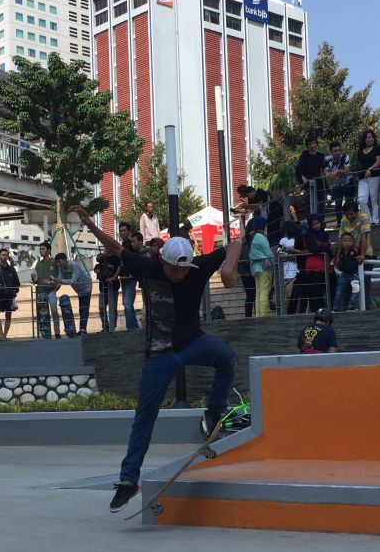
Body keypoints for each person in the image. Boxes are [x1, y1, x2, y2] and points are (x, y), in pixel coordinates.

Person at [70, 207, 242, 513]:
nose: (179, 275)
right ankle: (128, 480)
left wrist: (228, 269)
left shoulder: (197, 267)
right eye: (173, 270)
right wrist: (88, 224)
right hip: (159, 354)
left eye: (183, 270)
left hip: (193, 342)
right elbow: (115, 248)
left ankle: (215, 412)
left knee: (227, 357)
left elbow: (234, 245)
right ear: (162, 261)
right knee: (144, 416)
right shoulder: (146, 267)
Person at [295, 213, 331, 312]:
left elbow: (319, 249)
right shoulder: (307, 235)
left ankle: (322, 312)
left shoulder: (325, 235)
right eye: (313, 224)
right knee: (313, 291)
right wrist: (324, 247)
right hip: (311, 267)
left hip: (323, 266)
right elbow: (314, 248)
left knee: (320, 291)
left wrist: (321, 248)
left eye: (317, 223)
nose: (316, 225)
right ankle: (316, 312)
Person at [55, 252, 93, 335]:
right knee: (81, 309)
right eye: (57, 262)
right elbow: (60, 281)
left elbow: (73, 280)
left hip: (86, 286)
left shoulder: (74, 265)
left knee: (84, 308)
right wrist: (52, 284)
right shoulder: (60, 268)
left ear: (65, 260)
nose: (58, 264)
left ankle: (83, 329)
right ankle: (82, 329)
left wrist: (60, 281)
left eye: (59, 261)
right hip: (79, 290)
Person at [0, 248, 21, 341]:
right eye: (3, 255)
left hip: (10, 296)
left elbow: (17, 283)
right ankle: (2, 335)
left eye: (6, 255)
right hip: (0, 296)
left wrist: (15, 291)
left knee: (8, 316)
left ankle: (4, 336)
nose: (4, 257)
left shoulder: (12, 269)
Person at [245, 216, 273, 317]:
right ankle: (264, 315)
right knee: (264, 292)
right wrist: (274, 263)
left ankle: (259, 315)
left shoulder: (252, 237)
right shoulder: (260, 236)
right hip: (264, 267)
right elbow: (268, 253)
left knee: (258, 293)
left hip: (255, 268)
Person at [31, 242, 61, 338]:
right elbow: (36, 280)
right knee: (42, 313)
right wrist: (33, 278)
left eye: (43, 249)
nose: (41, 251)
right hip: (40, 292)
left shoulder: (54, 262)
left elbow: (60, 274)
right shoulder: (38, 263)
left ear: (48, 250)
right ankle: (44, 333)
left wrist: (58, 283)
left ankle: (57, 332)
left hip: (51, 290)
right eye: (40, 249)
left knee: (54, 310)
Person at [355, 129, 380, 223]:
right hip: (362, 178)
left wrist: (370, 169)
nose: (371, 139)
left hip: (375, 176)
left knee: (374, 199)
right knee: (361, 200)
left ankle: (375, 220)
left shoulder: (377, 148)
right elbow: (359, 163)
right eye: (368, 137)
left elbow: (379, 161)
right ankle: (368, 220)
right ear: (364, 139)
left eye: (372, 137)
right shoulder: (360, 151)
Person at [323, 140, 356, 224]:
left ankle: (351, 223)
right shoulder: (327, 159)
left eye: (338, 150)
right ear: (330, 151)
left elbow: (347, 170)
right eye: (335, 151)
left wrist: (337, 172)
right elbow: (325, 172)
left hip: (348, 183)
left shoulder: (345, 156)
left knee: (349, 204)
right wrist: (331, 174)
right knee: (337, 204)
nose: (337, 152)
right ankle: (339, 224)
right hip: (337, 185)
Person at [295, 136, 326, 216]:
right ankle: (315, 223)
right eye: (310, 144)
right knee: (315, 205)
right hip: (309, 185)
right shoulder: (304, 156)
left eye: (314, 143)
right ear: (307, 146)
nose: (312, 145)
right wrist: (303, 178)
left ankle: (321, 223)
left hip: (319, 184)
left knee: (323, 203)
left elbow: (324, 169)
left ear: (316, 144)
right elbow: (298, 170)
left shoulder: (321, 156)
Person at [332, 233, 361, 312]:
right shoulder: (338, 251)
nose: (347, 243)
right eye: (345, 241)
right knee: (339, 291)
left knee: (356, 289)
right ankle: (335, 307)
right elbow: (334, 262)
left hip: (353, 274)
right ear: (341, 242)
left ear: (353, 242)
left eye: (349, 241)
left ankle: (351, 306)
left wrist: (376, 257)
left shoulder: (356, 250)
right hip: (342, 275)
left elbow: (363, 256)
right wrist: (337, 271)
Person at [278, 220, 301, 315]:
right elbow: (279, 253)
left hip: (296, 271)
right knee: (287, 295)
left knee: (295, 295)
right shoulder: (283, 240)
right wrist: (288, 256)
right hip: (285, 272)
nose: (284, 233)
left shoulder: (298, 239)